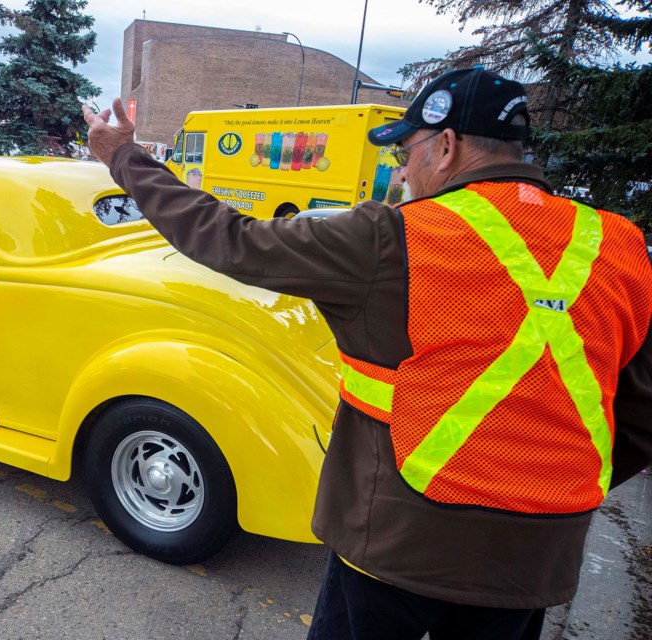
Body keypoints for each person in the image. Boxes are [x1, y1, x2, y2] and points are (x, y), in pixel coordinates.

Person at [84, 67, 652, 640]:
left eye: (406, 152)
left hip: (395, 545)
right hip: (536, 555)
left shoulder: (392, 237)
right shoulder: (617, 243)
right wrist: (566, 490)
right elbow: (640, 413)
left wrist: (124, 158)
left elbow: (227, 238)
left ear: (447, 146)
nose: (402, 170)